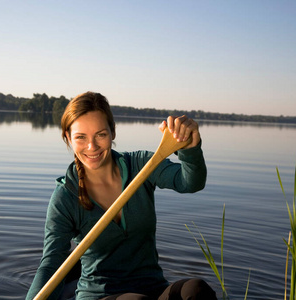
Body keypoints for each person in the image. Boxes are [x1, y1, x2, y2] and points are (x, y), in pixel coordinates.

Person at [26, 92, 216, 300]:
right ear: (68, 138)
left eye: (100, 134)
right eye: (81, 137)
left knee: (196, 289)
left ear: (113, 132)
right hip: (100, 295)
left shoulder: (141, 165)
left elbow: (190, 182)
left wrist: (190, 150)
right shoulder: (65, 197)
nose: (92, 146)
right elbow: (52, 261)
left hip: (153, 288)